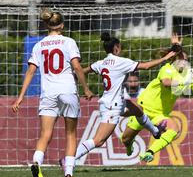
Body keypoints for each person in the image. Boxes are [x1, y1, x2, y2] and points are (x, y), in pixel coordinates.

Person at [69, 32, 177, 166]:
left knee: (138, 109)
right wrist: (165, 58)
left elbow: (84, 70)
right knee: (98, 141)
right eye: (120, 47)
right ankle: (70, 161)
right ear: (116, 48)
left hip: (116, 102)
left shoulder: (101, 63)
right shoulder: (120, 62)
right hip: (111, 107)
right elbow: (146, 66)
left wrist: (73, 75)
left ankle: (155, 131)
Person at [11, 8, 94, 177]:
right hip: (67, 91)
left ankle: (36, 162)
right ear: (62, 25)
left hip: (48, 93)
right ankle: (69, 173)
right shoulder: (68, 42)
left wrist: (20, 97)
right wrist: (86, 88)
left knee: (45, 134)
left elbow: (30, 71)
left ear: (47, 25)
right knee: (70, 134)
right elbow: (77, 67)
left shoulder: (39, 45)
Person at [121, 44, 193, 163]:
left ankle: (149, 153)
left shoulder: (188, 75)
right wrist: (185, 82)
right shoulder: (167, 69)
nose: (184, 62)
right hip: (143, 110)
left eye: (186, 60)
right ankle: (129, 145)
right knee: (125, 139)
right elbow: (166, 83)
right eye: (181, 59)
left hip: (160, 115)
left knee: (174, 129)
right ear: (174, 59)